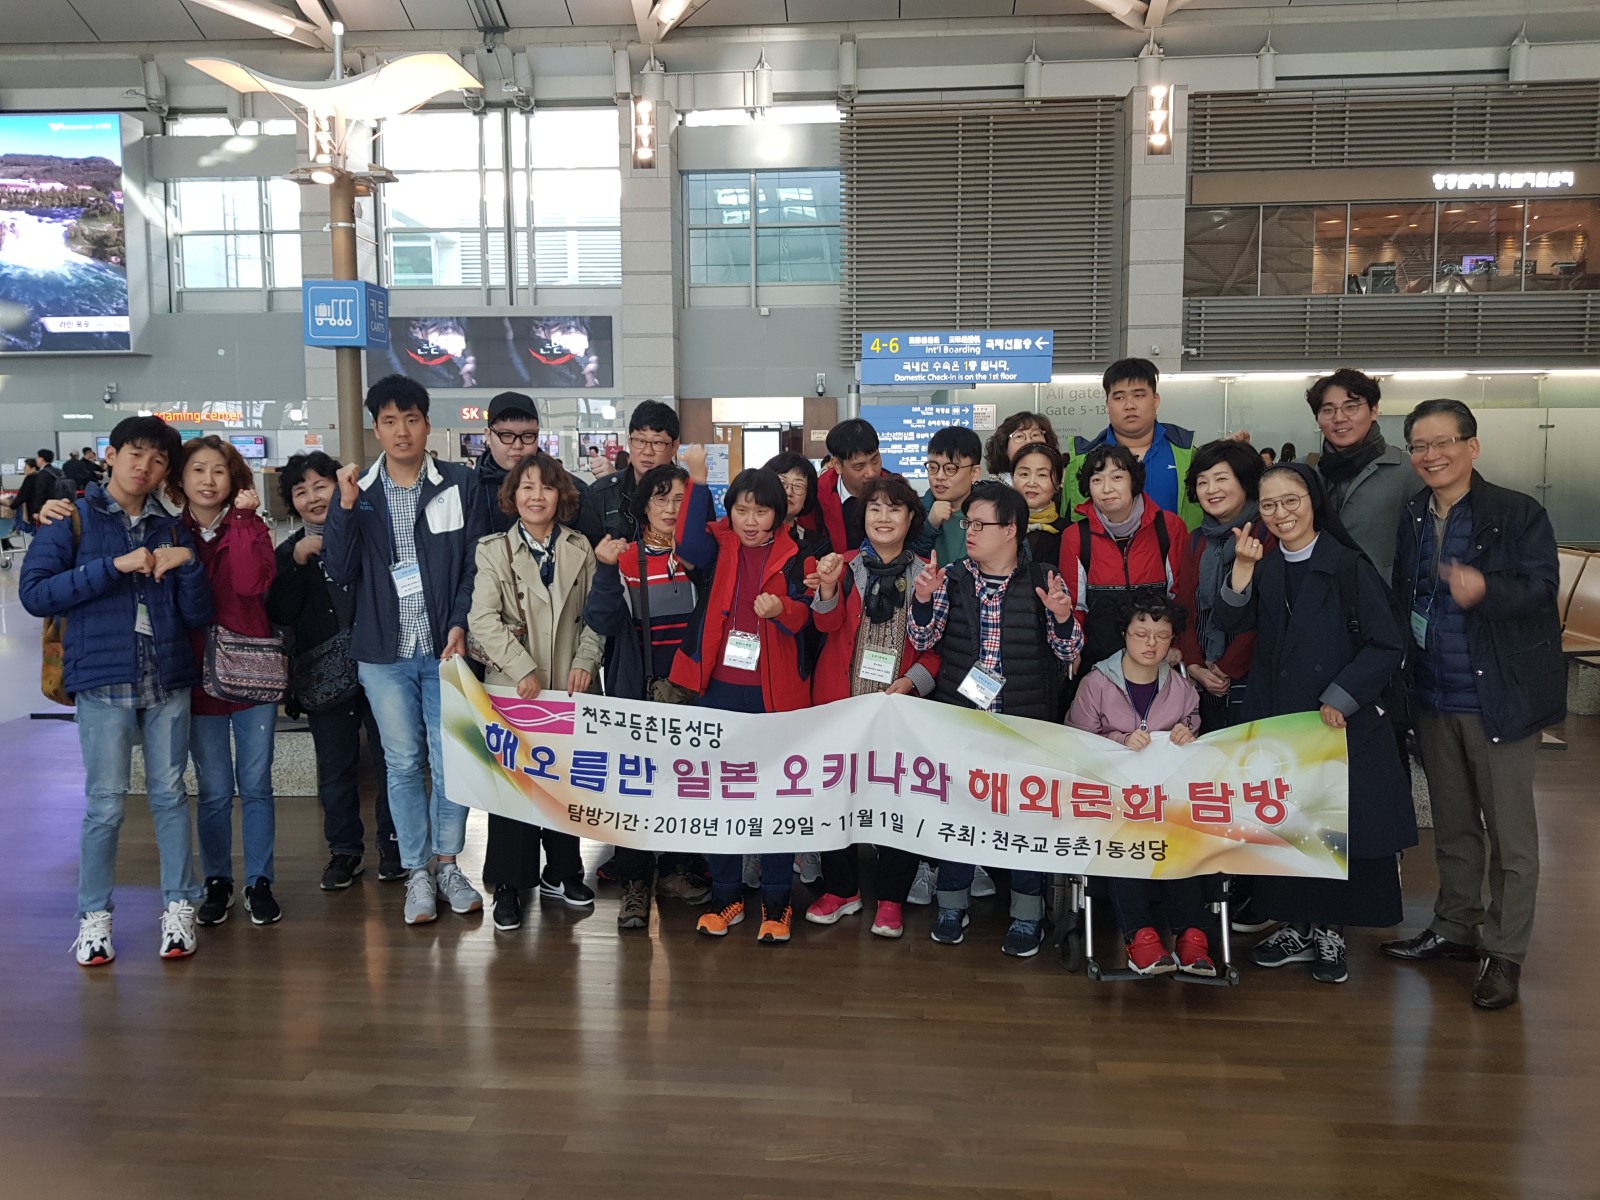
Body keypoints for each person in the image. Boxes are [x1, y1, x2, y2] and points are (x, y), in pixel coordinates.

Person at [1381, 399, 1565, 1010]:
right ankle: (1455, 927)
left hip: (1499, 698)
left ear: (1472, 446)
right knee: (1454, 826)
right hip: (1434, 693)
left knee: (1512, 837)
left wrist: (1485, 587)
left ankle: (1504, 952)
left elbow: (1542, 588)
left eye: (1443, 443)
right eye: (1420, 446)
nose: (1431, 456)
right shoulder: (1414, 513)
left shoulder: (1517, 512)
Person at [20, 415, 212, 965]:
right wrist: (113, 566)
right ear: (111, 454)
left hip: (166, 679)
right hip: (102, 682)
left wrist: (188, 564)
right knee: (104, 804)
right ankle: (93, 917)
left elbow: (196, 614)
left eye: (157, 459)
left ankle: (179, 906)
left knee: (170, 797)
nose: (144, 467)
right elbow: (36, 594)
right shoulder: (71, 520)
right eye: (135, 454)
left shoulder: (169, 528)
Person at [1216, 463, 1415, 985]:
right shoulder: (1267, 565)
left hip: (1335, 722)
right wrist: (1241, 568)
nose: (1280, 513)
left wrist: (1342, 697)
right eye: (1268, 505)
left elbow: (1386, 643)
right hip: (1282, 721)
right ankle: (1296, 927)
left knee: (1333, 828)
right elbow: (1231, 621)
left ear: (1314, 502)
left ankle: (1330, 931)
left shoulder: (1348, 565)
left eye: (1291, 501)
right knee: (1289, 825)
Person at [324, 375, 488, 927]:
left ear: (427, 424)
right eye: (390, 421)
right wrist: (346, 507)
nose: (402, 431)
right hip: (383, 653)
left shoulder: (459, 483)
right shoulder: (359, 491)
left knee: (452, 762)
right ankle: (416, 869)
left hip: (445, 648)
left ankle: (449, 865)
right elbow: (338, 569)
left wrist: (461, 622)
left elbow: (474, 564)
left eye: (411, 419)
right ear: (376, 429)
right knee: (401, 763)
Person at [908, 480, 1083, 958]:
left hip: (1023, 725)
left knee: (1025, 821)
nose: (969, 531)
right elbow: (923, 641)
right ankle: (952, 906)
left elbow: (1068, 651)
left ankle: (1027, 916)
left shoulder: (1043, 578)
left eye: (981, 524)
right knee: (958, 816)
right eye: (969, 523)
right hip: (963, 723)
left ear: (1011, 530)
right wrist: (922, 601)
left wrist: (1063, 617)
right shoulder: (952, 576)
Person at [671, 455, 813, 944]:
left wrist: (782, 609)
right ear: (729, 510)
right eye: (742, 510)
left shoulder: (798, 555)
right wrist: (695, 481)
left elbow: (808, 618)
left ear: (779, 513)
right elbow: (686, 544)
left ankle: (777, 902)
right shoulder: (717, 545)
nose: (751, 521)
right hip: (718, 690)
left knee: (777, 799)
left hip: (776, 695)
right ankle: (726, 898)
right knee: (721, 797)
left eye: (761, 511)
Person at [468, 453, 603, 933]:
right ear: (513, 496)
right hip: (515, 688)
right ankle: (509, 883)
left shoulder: (580, 547)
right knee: (514, 787)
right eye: (526, 487)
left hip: (570, 684)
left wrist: (586, 661)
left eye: (546, 487)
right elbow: (482, 618)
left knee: (565, 782)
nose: (536, 496)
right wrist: (521, 667)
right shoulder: (493, 550)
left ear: (561, 495)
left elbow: (597, 615)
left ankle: (564, 872)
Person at [807, 473, 940, 938]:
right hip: (840, 703)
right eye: (874, 508)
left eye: (894, 509)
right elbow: (824, 627)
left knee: (898, 798)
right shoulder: (841, 565)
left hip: (899, 706)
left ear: (911, 518)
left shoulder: (929, 573)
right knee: (834, 796)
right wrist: (827, 590)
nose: (883, 518)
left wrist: (913, 682)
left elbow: (939, 645)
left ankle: (890, 899)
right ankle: (841, 890)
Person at [583, 463, 713, 928]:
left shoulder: (701, 558)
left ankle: (676, 871)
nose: (671, 508)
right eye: (662, 498)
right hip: (638, 694)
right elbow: (601, 619)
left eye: (681, 499)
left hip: (690, 695)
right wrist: (604, 569)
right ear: (643, 506)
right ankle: (635, 881)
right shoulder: (625, 558)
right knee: (634, 787)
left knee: (684, 783)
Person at [267, 452, 399, 891]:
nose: (312, 497)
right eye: (300, 491)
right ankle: (344, 851)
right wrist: (296, 562)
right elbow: (281, 613)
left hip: (381, 666)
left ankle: (394, 844)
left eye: (320, 485)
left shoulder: (367, 533)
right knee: (335, 768)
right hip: (322, 678)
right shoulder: (287, 552)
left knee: (392, 760)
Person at [1067, 593, 1214, 976]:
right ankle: (1141, 938)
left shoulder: (1182, 689)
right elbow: (1075, 743)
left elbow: (1195, 732)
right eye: (1142, 633)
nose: (1151, 643)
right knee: (1122, 841)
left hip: (1164, 802)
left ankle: (1192, 937)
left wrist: (1187, 734)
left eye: (1162, 636)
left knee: (1182, 840)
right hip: (1110, 802)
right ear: (1125, 634)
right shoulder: (1096, 684)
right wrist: (1119, 741)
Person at [170, 436, 281, 927]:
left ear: (234, 479)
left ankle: (260, 881)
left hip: (252, 671)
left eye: (219, 470)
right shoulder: (169, 533)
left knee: (255, 783)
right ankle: (218, 880)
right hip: (197, 676)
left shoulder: (251, 525)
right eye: (198, 470)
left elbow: (248, 583)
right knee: (213, 788)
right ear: (180, 479)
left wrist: (242, 520)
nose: (208, 480)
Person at [1056, 444, 1188, 672]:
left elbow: (1180, 595)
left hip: (1158, 656)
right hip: (1099, 662)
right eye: (1097, 480)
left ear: (1133, 481)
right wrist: (1075, 650)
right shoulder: (1075, 536)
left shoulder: (1168, 527)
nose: (1106, 488)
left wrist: (1176, 644)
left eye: (1117, 477)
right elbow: (1074, 605)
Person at [1174, 439, 1271, 732]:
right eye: (1202, 482)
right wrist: (1194, 664)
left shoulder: (1267, 534)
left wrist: (1227, 667)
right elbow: (1184, 607)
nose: (1210, 489)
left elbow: (1265, 613)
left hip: (1252, 675)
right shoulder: (1197, 539)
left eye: (1221, 479)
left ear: (1245, 482)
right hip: (1203, 674)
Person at [1065, 359, 1202, 528]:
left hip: (1176, 545)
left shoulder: (1188, 456)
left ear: (1155, 399)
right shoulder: (1083, 462)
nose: (1129, 405)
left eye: (1139, 395)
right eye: (1119, 397)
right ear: (1107, 404)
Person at [1309, 369, 1412, 575]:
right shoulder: (1307, 472)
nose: (1339, 418)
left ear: (1374, 411)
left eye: (1351, 407)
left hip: (1382, 590)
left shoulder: (1409, 471)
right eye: (1327, 410)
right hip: (1317, 586)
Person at [576, 401, 679, 546]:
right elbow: (583, 552)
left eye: (657, 443)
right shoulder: (600, 494)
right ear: (629, 442)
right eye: (640, 441)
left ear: (674, 447)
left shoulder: (692, 493)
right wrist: (599, 557)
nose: (647, 451)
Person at [800, 418, 883, 554]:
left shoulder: (897, 491)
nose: (871, 473)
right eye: (859, 466)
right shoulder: (815, 496)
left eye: (875, 460)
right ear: (837, 465)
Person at [921, 426, 983, 566]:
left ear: (974, 473)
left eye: (950, 469)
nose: (939, 476)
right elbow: (909, 559)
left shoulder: (993, 514)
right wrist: (929, 526)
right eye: (933, 467)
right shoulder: (915, 511)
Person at [1012, 442, 1069, 569]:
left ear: (1058, 482)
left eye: (1042, 475)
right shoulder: (997, 525)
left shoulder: (1068, 532)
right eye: (1024, 474)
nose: (1032, 483)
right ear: (1012, 478)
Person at [985, 412, 1059, 485]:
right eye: (1019, 436)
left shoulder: (1058, 486)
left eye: (1035, 434)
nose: (1029, 442)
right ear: (1004, 447)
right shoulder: (992, 490)